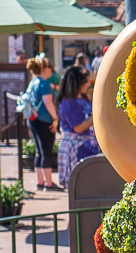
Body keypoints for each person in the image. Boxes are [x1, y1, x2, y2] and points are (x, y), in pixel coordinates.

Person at [55, 65, 100, 186]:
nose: (88, 84)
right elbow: (78, 128)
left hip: (87, 143)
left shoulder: (84, 99)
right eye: (85, 82)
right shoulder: (68, 103)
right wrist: (97, 115)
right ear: (76, 83)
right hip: (77, 145)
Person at [24, 56, 60, 191]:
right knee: (46, 152)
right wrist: (55, 119)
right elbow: (48, 103)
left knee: (39, 152)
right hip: (45, 120)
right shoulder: (44, 84)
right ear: (44, 68)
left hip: (33, 120)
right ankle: (49, 184)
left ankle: (40, 182)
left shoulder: (33, 82)